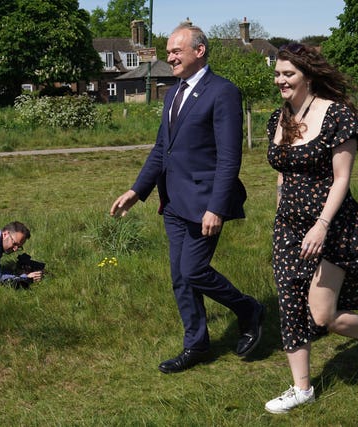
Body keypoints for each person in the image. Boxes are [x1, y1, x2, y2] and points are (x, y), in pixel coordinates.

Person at [110, 22, 265, 374]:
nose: (170, 57)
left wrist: (216, 206)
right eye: (168, 52)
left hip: (204, 203)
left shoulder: (223, 92)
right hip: (174, 204)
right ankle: (196, 344)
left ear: (199, 51)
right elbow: (162, 149)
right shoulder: (172, 93)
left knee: (193, 270)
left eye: (176, 51)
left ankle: (248, 309)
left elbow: (229, 157)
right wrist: (137, 191)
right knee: (180, 277)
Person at [264, 44, 358, 414]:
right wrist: (281, 217)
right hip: (288, 227)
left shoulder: (337, 115)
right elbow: (283, 173)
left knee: (322, 315)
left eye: (288, 74)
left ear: (307, 75)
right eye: (277, 74)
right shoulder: (280, 117)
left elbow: (342, 178)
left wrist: (321, 225)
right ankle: (301, 388)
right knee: (290, 304)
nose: (280, 80)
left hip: (332, 226)